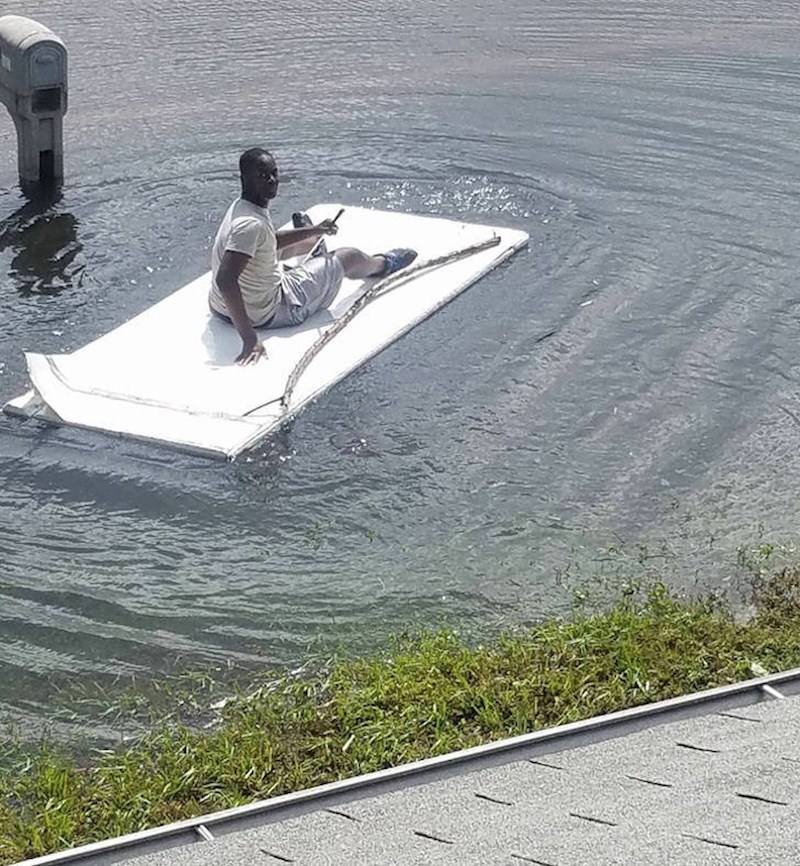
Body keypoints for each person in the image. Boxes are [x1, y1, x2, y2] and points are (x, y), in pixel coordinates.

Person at [210, 147, 417, 364]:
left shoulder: (240, 209)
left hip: (221, 310)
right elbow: (225, 280)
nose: (272, 180)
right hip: (270, 311)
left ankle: (315, 245)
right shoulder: (251, 226)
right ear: (244, 179)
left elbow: (269, 241)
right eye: (263, 176)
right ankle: (383, 264)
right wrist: (250, 338)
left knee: (286, 246)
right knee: (348, 256)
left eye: (275, 173)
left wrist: (316, 230)